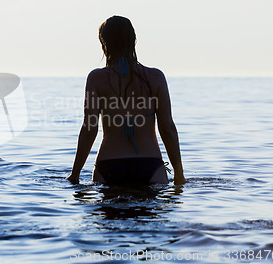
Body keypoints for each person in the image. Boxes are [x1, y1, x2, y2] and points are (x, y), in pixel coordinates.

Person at [66, 16, 185, 186]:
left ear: (104, 44)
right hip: (150, 165)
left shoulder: (97, 79)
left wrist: (75, 174)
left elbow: (89, 129)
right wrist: (179, 174)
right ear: (133, 40)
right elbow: (167, 128)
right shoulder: (155, 77)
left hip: (109, 165)